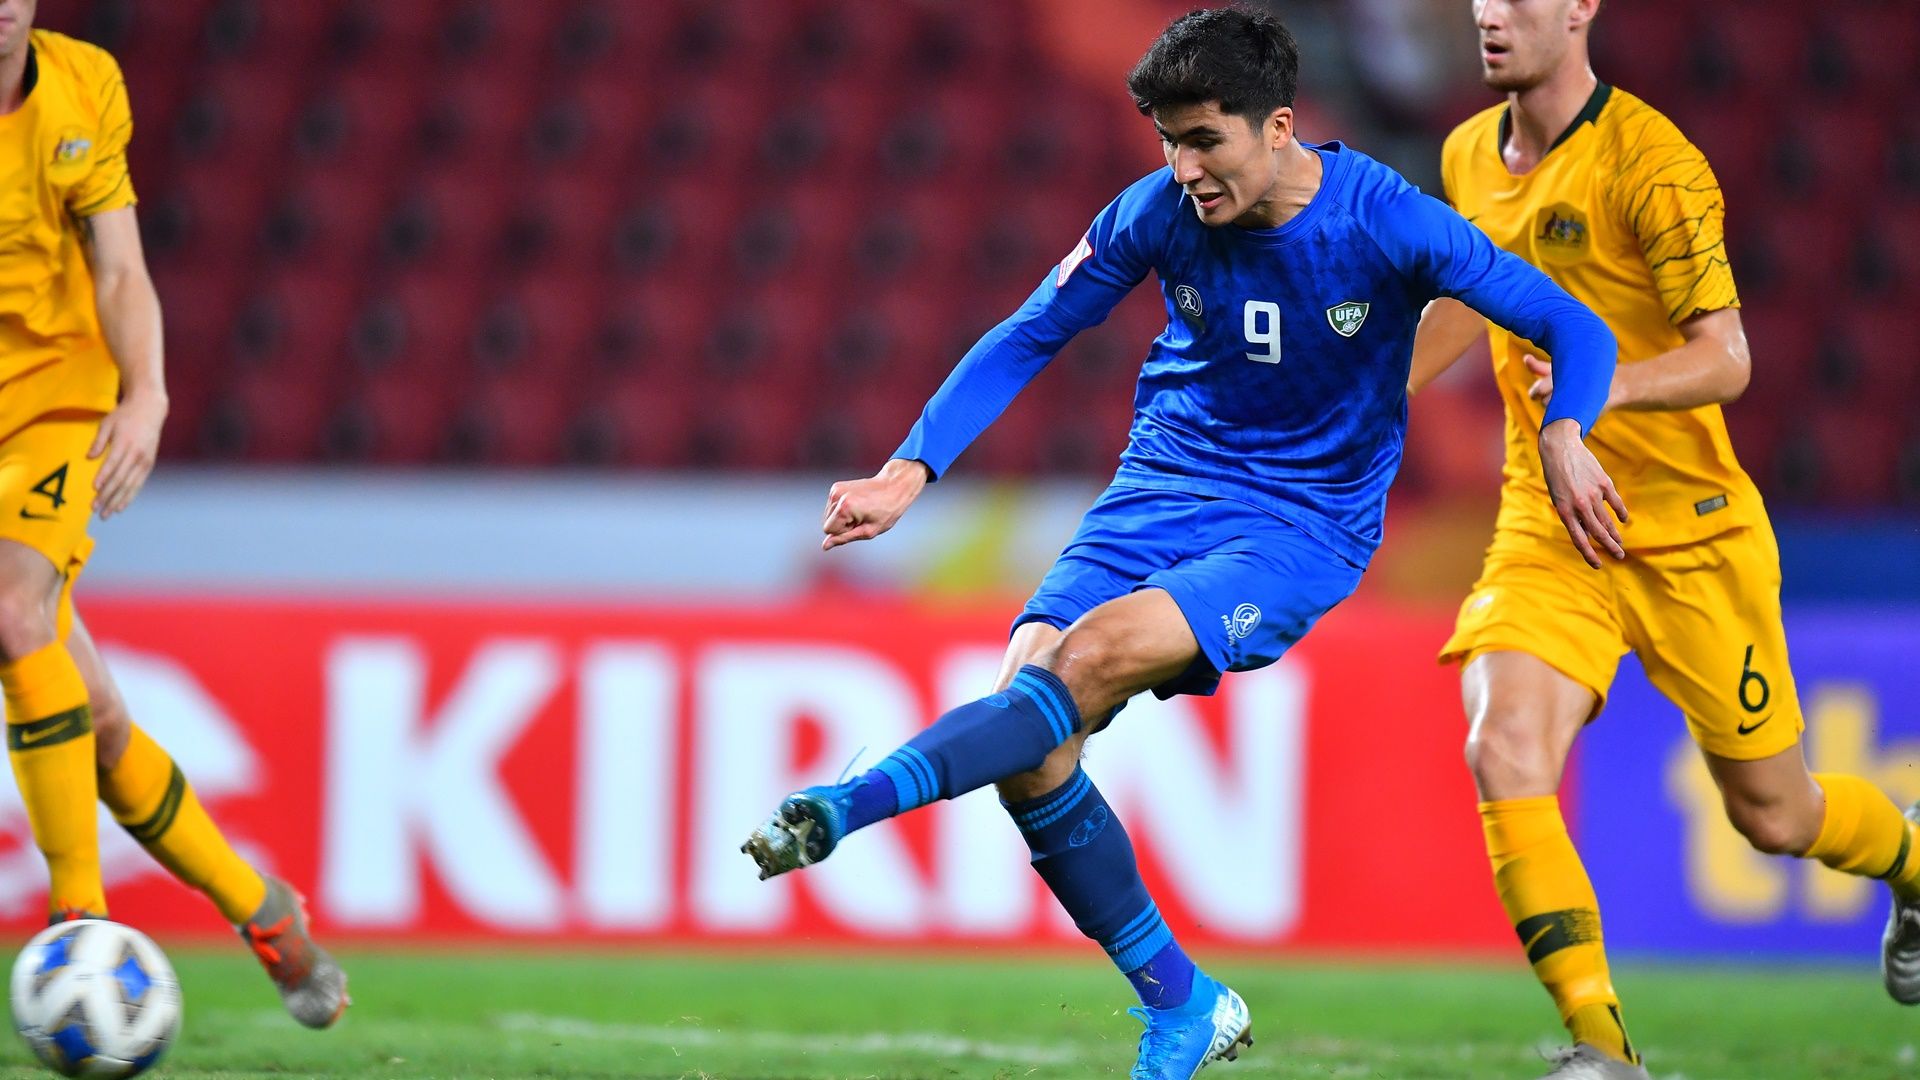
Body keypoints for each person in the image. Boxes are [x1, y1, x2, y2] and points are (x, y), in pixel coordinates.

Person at [742, 6, 1626, 1077]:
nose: (1184, 166)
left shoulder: (1389, 221)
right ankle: (1184, 1004)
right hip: (1160, 489)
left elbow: (1574, 325)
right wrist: (908, 468)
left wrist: (1568, 434)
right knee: (1036, 734)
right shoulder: (1156, 210)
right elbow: (1034, 329)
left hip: (1300, 523)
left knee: (1087, 661)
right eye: (1169, 140)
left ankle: (850, 802)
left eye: (1204, 139)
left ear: (1281, 126)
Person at [1408, 1, 1920, 1076]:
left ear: (1582, 5)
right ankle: (1603, 1053)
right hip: (1549, 529)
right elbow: (1466, 291)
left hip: (1692, 537)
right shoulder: (1467, 153)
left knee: (1777, 818)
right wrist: (1366, 399)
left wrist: (1589, 401)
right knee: (1502, 747)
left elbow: (1727, 357)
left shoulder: (1655, 162)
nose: (1491, 15)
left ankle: (1913, 861)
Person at [0, 0, 346, 1028]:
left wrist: (144, 391)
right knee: (96, 720)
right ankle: (262, 906)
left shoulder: (81, 86)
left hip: (54, 404)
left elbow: (117, 266)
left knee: (15, 616)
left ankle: (78, 928)